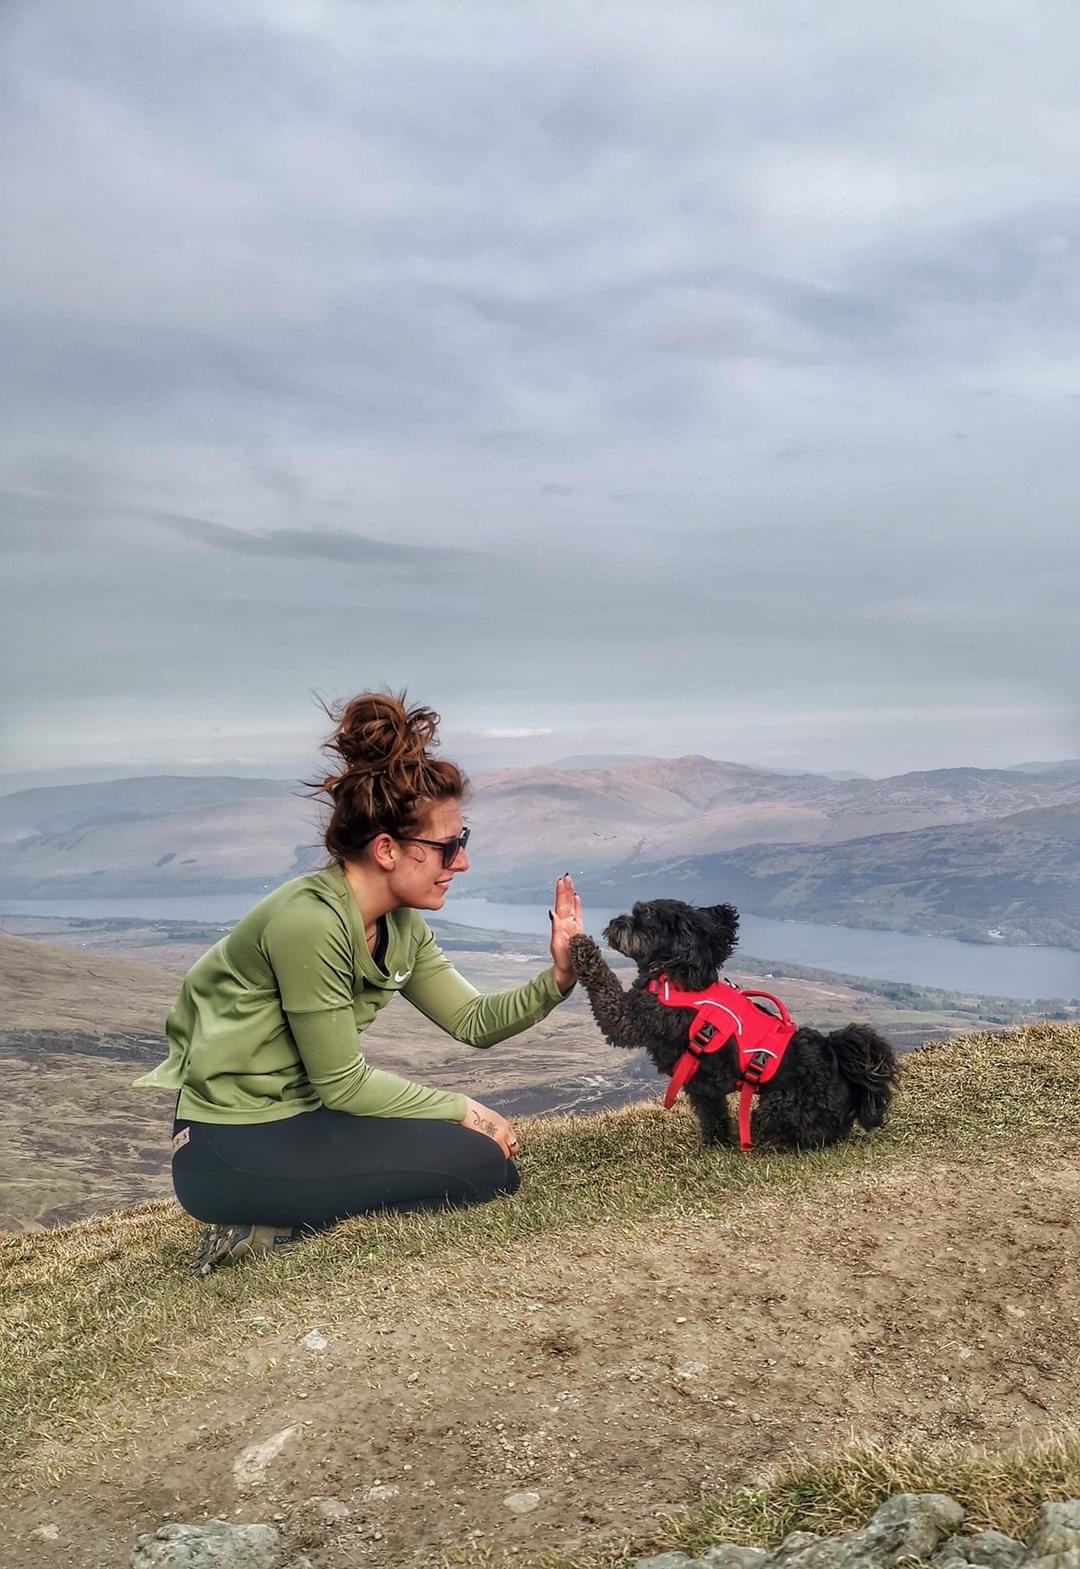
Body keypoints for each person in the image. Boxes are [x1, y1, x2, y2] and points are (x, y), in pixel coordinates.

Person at [134, 691, 583, 1274]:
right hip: (229, 1146)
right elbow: (343, 1084)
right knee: (477, 1166)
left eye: (461, 841)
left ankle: (288, 1224)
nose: (462, 863)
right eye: (448, 847)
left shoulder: (399, 924)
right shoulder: (310, 921)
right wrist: (463, 1109)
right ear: (388, 849)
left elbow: (473, 1022)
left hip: (302, 1122)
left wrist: (560, 976)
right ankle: (261, 1233)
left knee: (491, 1170)